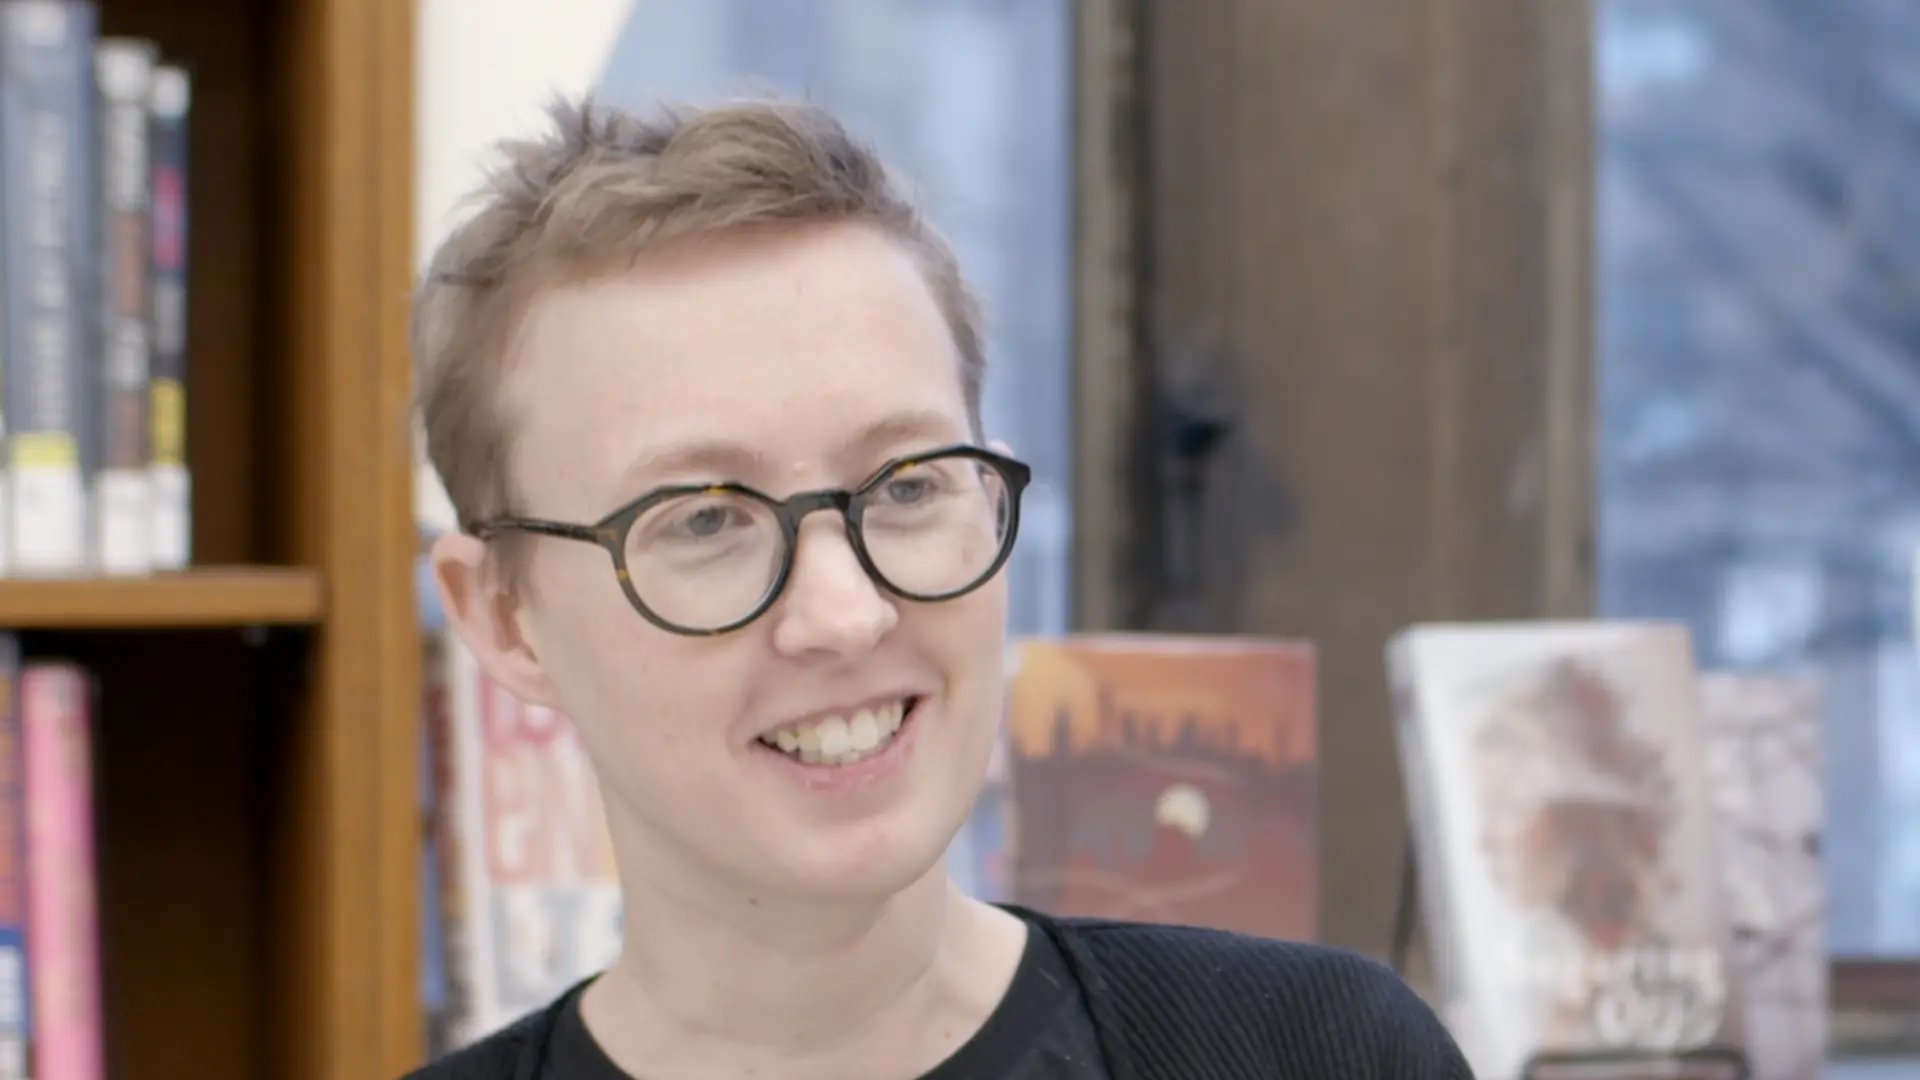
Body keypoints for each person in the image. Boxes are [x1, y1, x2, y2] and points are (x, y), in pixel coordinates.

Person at [406, 94, 1473, 1080]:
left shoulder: (1316, 1054)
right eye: (704, 520)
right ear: (506, 621)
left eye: (906, 486)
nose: (844, 613)